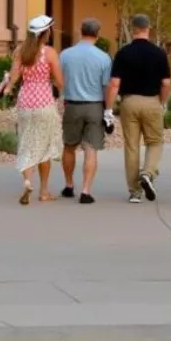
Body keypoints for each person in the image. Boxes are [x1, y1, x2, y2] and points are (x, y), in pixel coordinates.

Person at [0, 14, 65, 205]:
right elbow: (60, 81)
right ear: (45, 33)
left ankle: (27, 181)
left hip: (26, 102)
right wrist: (61, 93)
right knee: (44, 146)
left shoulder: (20, 51)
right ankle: (44, 191)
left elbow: (13, 78)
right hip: (44, 102)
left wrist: (8, 88)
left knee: (27, 143)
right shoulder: (50, 53)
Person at [107, 14, 171, 202]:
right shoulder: (159, 53)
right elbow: (166, 83)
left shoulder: (123, 53)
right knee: (155, 141)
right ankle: (148, 173)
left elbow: (114, 83)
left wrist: (109, 109)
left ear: (133, 28)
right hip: (152, 100)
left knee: (131, 146)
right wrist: (163, 101)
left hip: (129, 101)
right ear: (148, 28)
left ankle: (135, 191)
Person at [58, 18, 114, 204]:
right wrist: (108, 110)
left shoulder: (65, 55)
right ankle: (86, 190)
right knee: (91, 149)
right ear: (97, 34)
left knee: (69, 146)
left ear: (80, 31)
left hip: (72, 104)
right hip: (95, 106)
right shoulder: (103, 57)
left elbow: (58, 79)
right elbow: (107, 86)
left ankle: (68, 185)